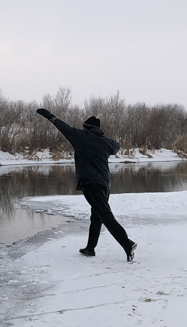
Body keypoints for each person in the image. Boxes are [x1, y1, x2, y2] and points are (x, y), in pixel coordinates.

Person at [36, 108, 137, 262]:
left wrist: (50, 116)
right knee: (97, 216)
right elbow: (117, 146)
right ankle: (90, 248)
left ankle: (126, 243)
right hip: (105, 184)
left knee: (105, 215)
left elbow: (64, 128)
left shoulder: (82, 137)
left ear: (86, 128)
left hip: (91, 183)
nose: (82, 129)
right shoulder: (107, 142)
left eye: (84, 127)